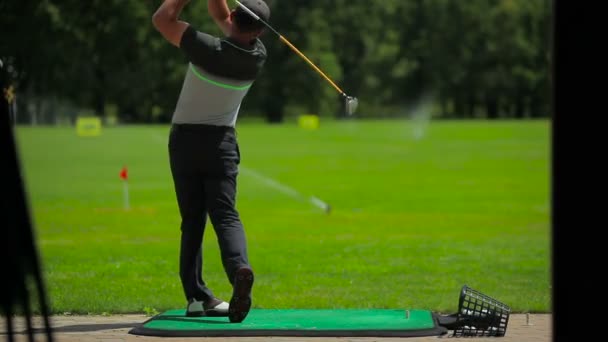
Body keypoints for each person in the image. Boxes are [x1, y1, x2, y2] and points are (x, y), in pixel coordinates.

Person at [152, 0, 270, 323]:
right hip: (221, 145)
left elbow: (162, 18)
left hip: (185, 143)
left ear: (235, 17)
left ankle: (195, 295)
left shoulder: (205, 47)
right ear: (259, 30)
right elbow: (219, 14)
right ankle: (238, 270)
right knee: (225, 215)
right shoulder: (257, 55)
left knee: (192, 220)